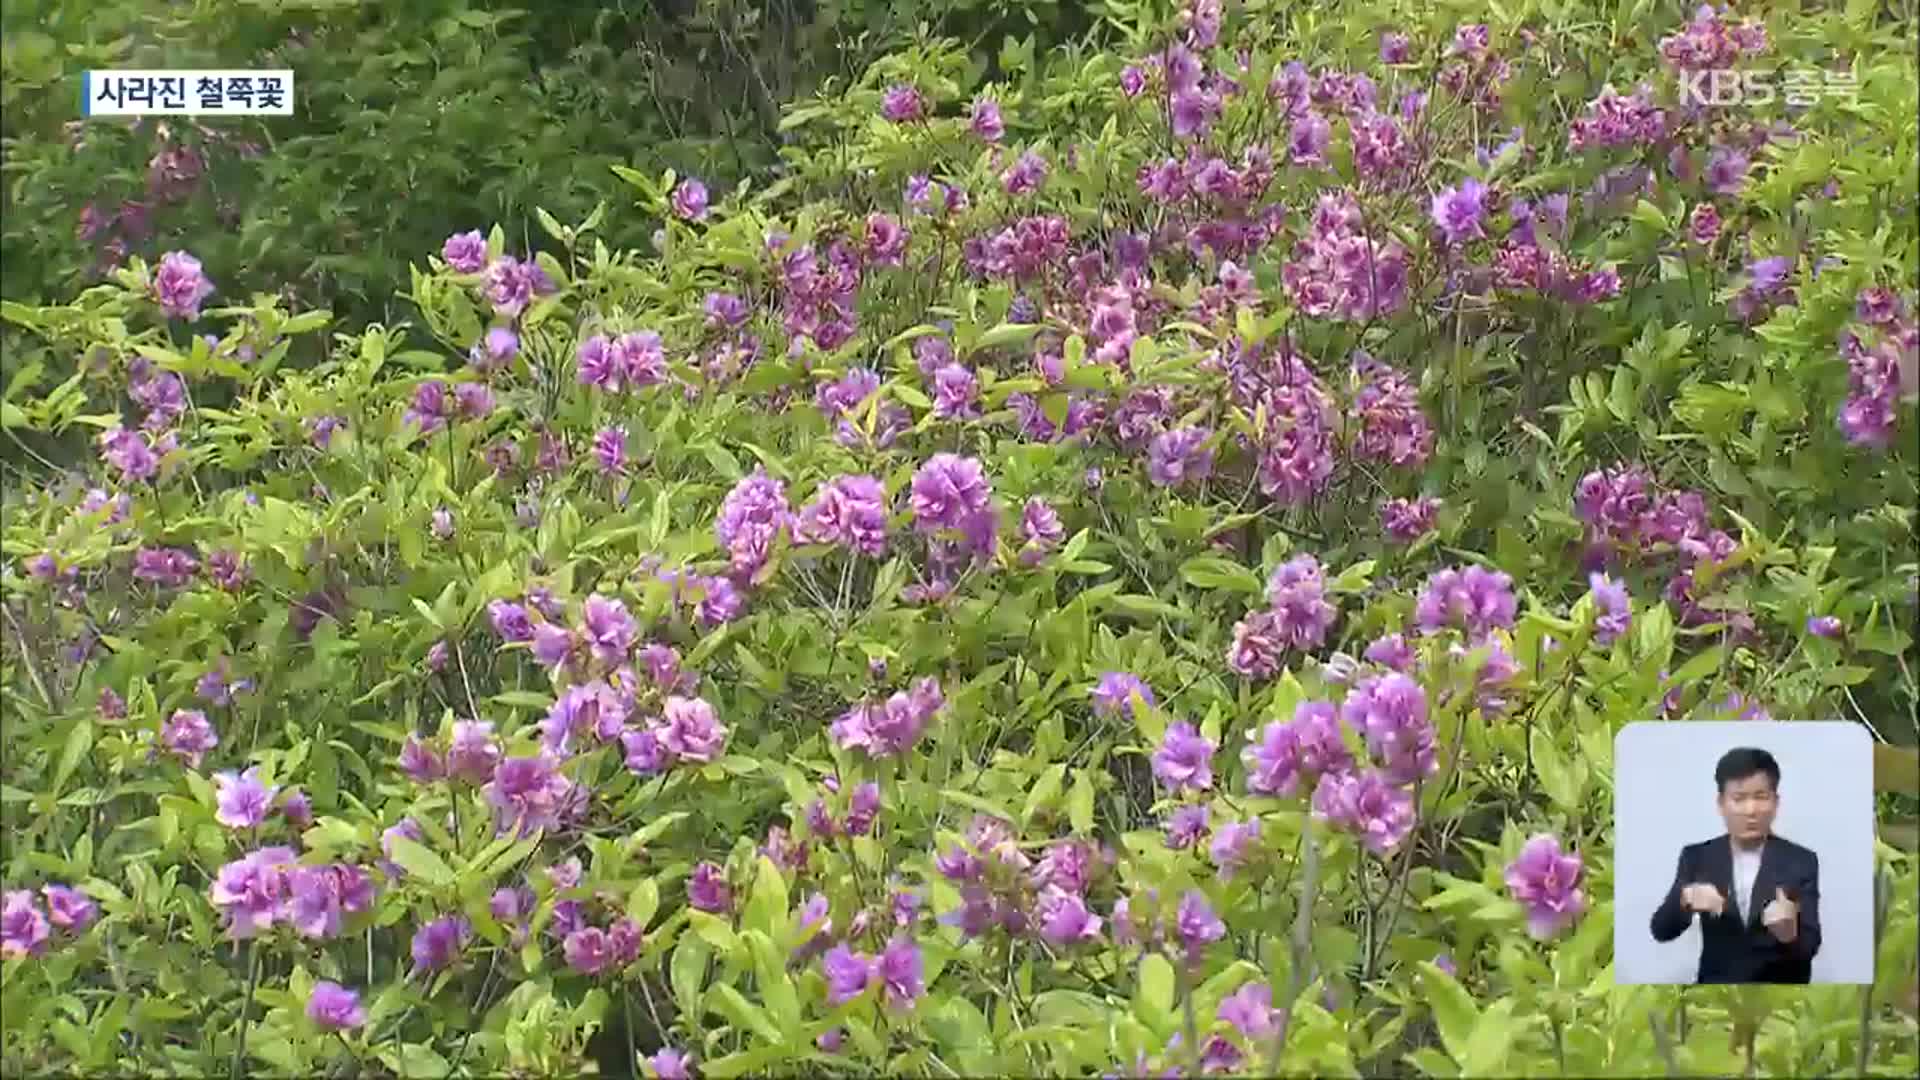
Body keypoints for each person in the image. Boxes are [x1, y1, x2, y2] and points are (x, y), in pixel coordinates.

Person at [1649, 747, 1822, 983]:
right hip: (1715, 1001)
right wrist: (1685, 898)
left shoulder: (1801, 861)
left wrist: (1790, 933)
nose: (1751, 810)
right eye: (1739, 799)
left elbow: (1811, 946)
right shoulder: (1697, 857)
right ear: (1721, 803)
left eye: (1760, 797)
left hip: (1782, 1000)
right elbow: (1661, 930)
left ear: (1776, 802)